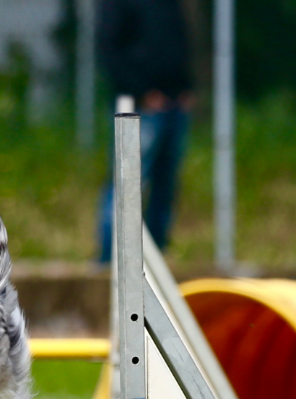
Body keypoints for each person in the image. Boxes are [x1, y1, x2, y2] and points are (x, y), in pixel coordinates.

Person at [96, 0, 194, 264]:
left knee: (165, 188)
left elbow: (177, 44)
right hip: (137, 107)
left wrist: (184, 88)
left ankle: (153, 262)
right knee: (126, 184)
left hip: (175, 105)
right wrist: (143, 93)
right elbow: (109, 50)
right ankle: (110, 261)